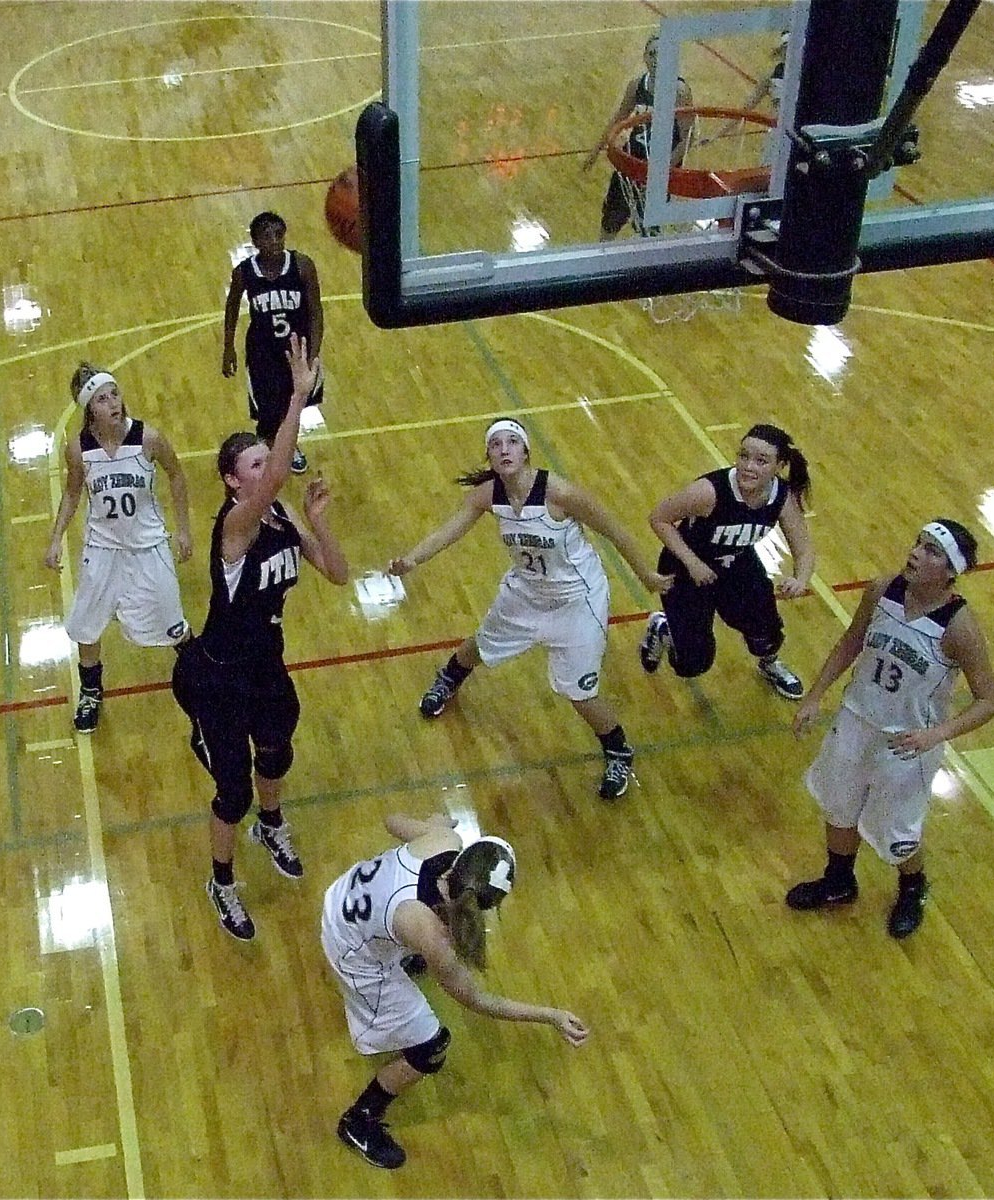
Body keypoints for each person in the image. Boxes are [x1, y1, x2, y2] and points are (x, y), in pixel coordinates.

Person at [390, 418, 671, 800]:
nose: (504, 450)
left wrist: (648, 577)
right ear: (489, 456)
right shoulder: (488, 495)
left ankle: (619, 749)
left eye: (512, 442)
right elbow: (447, 532)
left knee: (579, 692)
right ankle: (449, 679)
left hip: (577, 602)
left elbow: (616, 531)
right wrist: (411, 560)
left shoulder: (562, 493)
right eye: (495, 445)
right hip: (525, 592)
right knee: (482, 643)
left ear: (526, 451)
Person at [172, 334, 348, 941]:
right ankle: (221, 881)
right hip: (217, 674)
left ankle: (273, 823)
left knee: (278, 752)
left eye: (261, 460)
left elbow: (337, 573)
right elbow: (278, 474)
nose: (264, 468)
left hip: (266, 666)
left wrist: (319, 524)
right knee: (232, 792)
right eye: (253, 464)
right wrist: (297, 396)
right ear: (232, 481)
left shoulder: (282, 517)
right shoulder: (235, 525)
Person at [322, 810, 589, 1169]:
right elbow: (477, 999)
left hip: (343, 894)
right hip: (351, 948)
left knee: (418, 942)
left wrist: (435, 824)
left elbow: (390, 820)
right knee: (430, 1048)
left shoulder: (445, 841)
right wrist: (550, 1015)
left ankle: (403, 956)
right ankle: (358, 1121)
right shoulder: (432, 937)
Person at [786, 520, 994, 939]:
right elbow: (851, 641)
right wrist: (815, 696)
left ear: (951, 571)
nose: (917, 553)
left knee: (896, 831)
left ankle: (913, 886)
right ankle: (839, 880)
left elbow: (989, 701)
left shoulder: (958, 627)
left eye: (932, 551)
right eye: (919, 543)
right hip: (855, 718)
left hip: (908, 742)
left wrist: (936, 735)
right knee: (838, 803)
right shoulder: (882, 590)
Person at [45, 364, 192, 734]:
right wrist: (55, 538)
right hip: (104, 548)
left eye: (115, 394)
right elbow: (73, 493)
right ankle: (91, 692)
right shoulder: (78, 450)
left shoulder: (148, 438)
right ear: (88, 408)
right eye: (102, 398)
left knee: (174, 622)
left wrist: (184, 529)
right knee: (86, 625)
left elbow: (176, 474)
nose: (113, 403)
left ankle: (202, 676)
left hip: (148, 545)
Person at [638, 423, 814, 700]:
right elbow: (659, 518)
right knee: (693, 664)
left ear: (779, 465)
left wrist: (800, 579)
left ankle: (770, 665)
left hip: (738, 565)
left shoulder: (782, 496)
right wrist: (693, 563)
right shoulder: (709, 492)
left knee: (765, 628)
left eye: (761, 460)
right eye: (743, 456)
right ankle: (663, 628)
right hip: (685, 567)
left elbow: (804, 549)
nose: (748, 466)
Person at [222, 211, 324, 475]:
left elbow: (315, 312)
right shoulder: (244, 273)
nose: (275, 241)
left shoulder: (302, 265)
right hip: (262, 352)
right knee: (267, 411)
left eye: (279, 235)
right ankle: (269, 450)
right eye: (267, 237)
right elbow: (232, 306)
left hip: (295, 349)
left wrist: (312, 355)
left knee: (294, 402)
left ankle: (288, 445)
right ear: (255, 242)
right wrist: (228, 347)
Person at [582, 33, 694, 240]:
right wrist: (594, 152)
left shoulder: (679, 91)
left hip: (661, 165)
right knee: (611, 219)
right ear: (645, 57)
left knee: (648, 229)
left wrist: (660, 173)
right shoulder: (636, 86)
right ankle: (600, 258)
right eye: (652, 54)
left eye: (661, 54)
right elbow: (617, 120)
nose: (656, 59)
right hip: (633, 160)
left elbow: (688, 138)